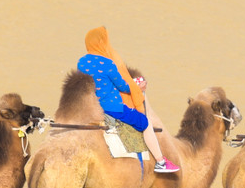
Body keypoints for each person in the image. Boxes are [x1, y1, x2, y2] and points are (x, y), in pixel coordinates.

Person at [76, 27, 180, 175]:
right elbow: (123, 86)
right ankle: (161, 162)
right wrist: (136, 86)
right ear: (101, 43)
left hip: (91, 108)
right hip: (112, 109)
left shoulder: (81, 63)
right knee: (145, 123)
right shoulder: (108, 63)